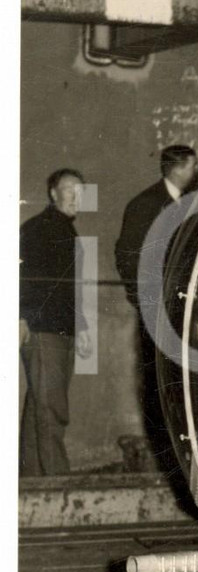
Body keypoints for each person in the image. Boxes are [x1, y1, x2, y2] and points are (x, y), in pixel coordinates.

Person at [115, 146, 198, 445]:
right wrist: (142, 299)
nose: (196, 172)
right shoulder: (145, 205)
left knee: (181, 376)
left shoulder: (190, 204)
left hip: (183, 307)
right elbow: (126, 255)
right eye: (192, 166)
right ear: (177, 170)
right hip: (156, 307)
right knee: (157, 377)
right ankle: (160, 445)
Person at [19, 169, 89, 475]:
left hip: (61, 330)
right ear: (53, 193)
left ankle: (32, 479)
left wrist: (82, 328)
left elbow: (69, 287)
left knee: (40, 405)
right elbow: (23, 278)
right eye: (69, 189)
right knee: (51, 409)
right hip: (44, 330)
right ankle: (57, 481)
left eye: (81, 191)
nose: (76, 196)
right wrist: (21, 318)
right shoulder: (37, 229)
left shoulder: (65, 230)